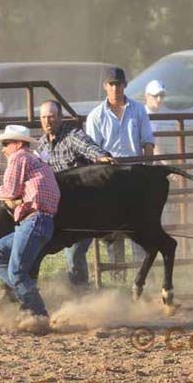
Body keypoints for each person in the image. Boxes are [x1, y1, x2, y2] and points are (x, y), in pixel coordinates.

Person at [0, 125, 60, 318]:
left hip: (33, 221)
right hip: (39, 222)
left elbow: (11, 191)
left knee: (16, 272)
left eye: (6, 143)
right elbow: (21, 195)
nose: (3, 148)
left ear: (17, 144)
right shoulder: (35, 160)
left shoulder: (19, 158)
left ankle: (38, 313)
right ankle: (26, 294)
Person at [36, 99, 114, 287]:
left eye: (52, 117)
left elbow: (88, 146)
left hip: (84, 207)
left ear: (60, 118)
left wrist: (100, 156)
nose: (47, 121)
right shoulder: (41, 146)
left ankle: (81, 294)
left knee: (74, 250)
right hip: (61, 209)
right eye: (44, 117)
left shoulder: (72, 136)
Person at [86, 67, 155, 272]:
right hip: (110, 178)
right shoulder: (96, 116)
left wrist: (147, 171)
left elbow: (148, 143)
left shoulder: (139, 110)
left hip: (134, 174)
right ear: (105, 86)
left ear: (125, 85)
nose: (115, 88)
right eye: (112, 84)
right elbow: (93, 151)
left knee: (138, 227)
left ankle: (142, 277)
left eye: (119, 84)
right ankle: (118, 278)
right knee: (113, 230)